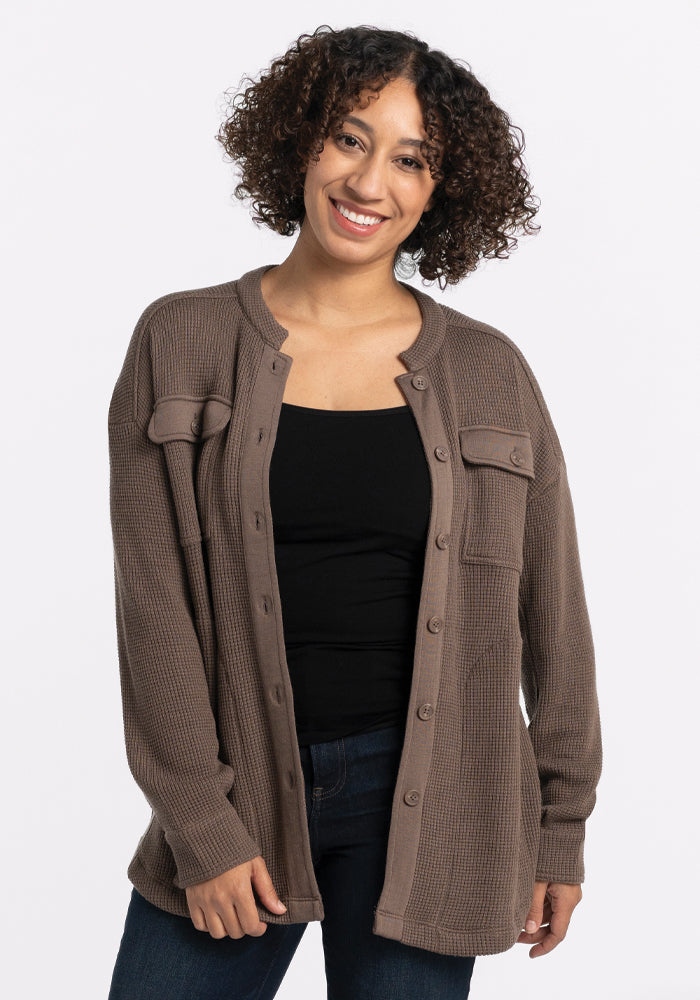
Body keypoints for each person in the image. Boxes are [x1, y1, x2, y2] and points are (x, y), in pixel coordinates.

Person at [106, 24, 603, 1000]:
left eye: (410, 159)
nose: (370, 181)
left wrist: (558, 826)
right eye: (348, 137)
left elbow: (555, 617)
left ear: (439, 191)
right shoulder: (183, 340)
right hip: (239, 787)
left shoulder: (488, 371)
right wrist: (201, 826)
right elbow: (152, 605)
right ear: (299, 140)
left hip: (436, 806)